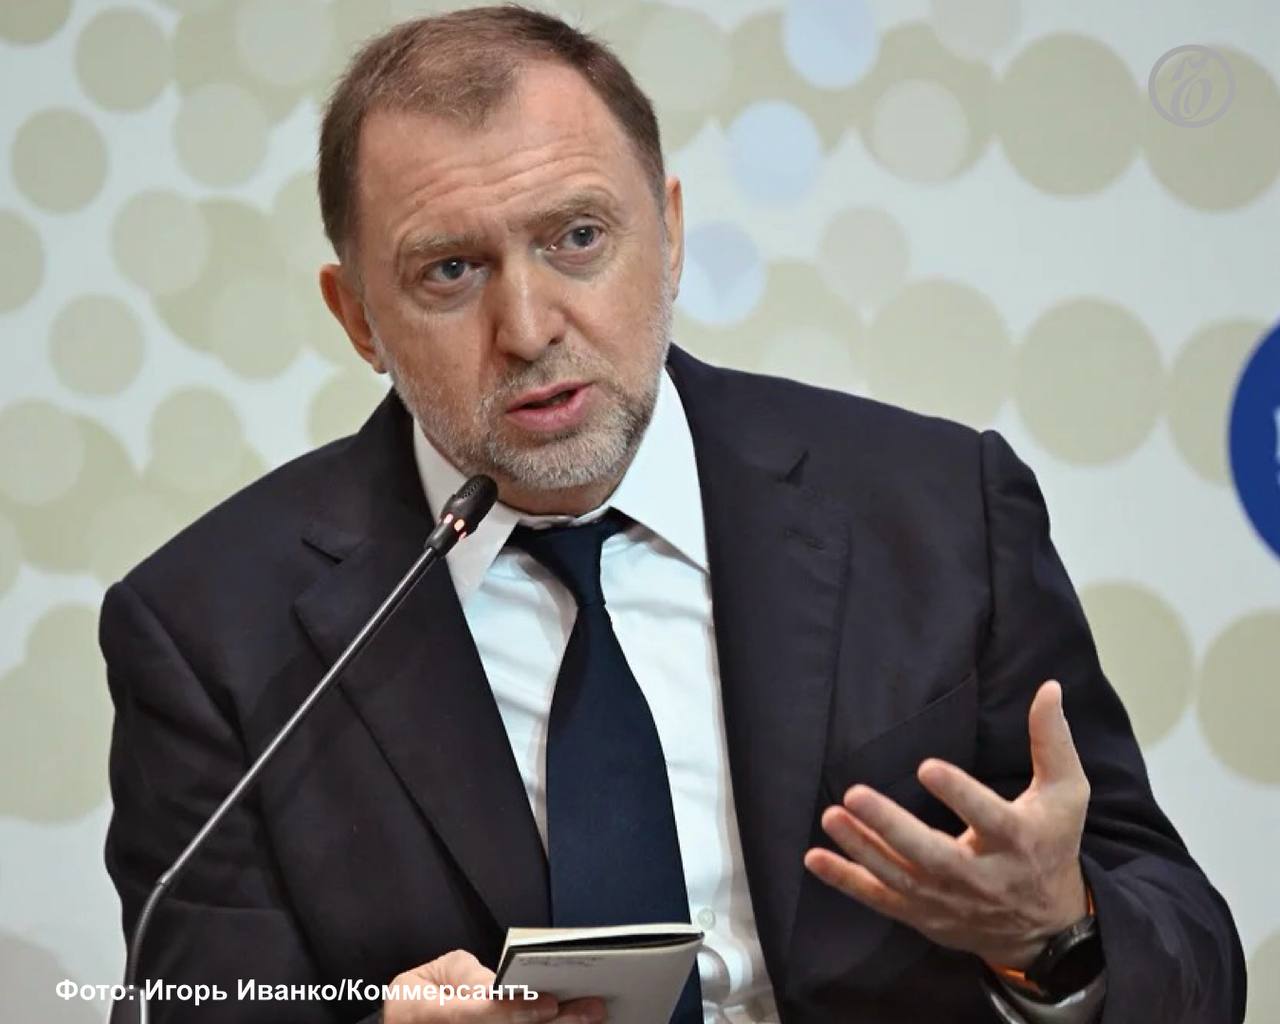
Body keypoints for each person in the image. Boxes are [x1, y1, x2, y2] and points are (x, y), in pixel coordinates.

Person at [100, 6, 1246, 1023]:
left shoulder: (937, 509)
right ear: (357, 317)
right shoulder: (210, 628)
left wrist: (1051, 934)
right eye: (449, 270)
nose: (528, 326)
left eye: (577, 238)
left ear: (671, 234)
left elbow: (1190, 955)